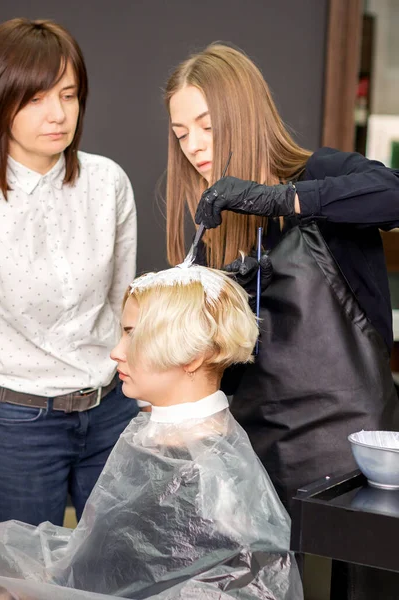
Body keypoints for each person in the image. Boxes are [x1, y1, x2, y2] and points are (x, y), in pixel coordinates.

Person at [164, 43, 399, 600]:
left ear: (241, 114)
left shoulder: (322, 176)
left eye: (206, 126)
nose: (194, 146)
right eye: (181, 134)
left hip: (353, 464)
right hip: (257, 465)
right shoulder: (208, 219)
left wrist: (277, 200)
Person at [0, 264, 303, 600]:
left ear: (195, 354)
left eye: (133, 334)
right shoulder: (154, 437)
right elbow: (100, 565)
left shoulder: (212, 479)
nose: (116, 352)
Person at [0, 18, 138, 527]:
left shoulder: (107, 184)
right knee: (23, 578)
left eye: (69, 94)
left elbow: (126, 305)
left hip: (110, 409)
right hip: (17, 421)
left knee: (118, 564)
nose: (58, 114)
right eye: (35, 98)